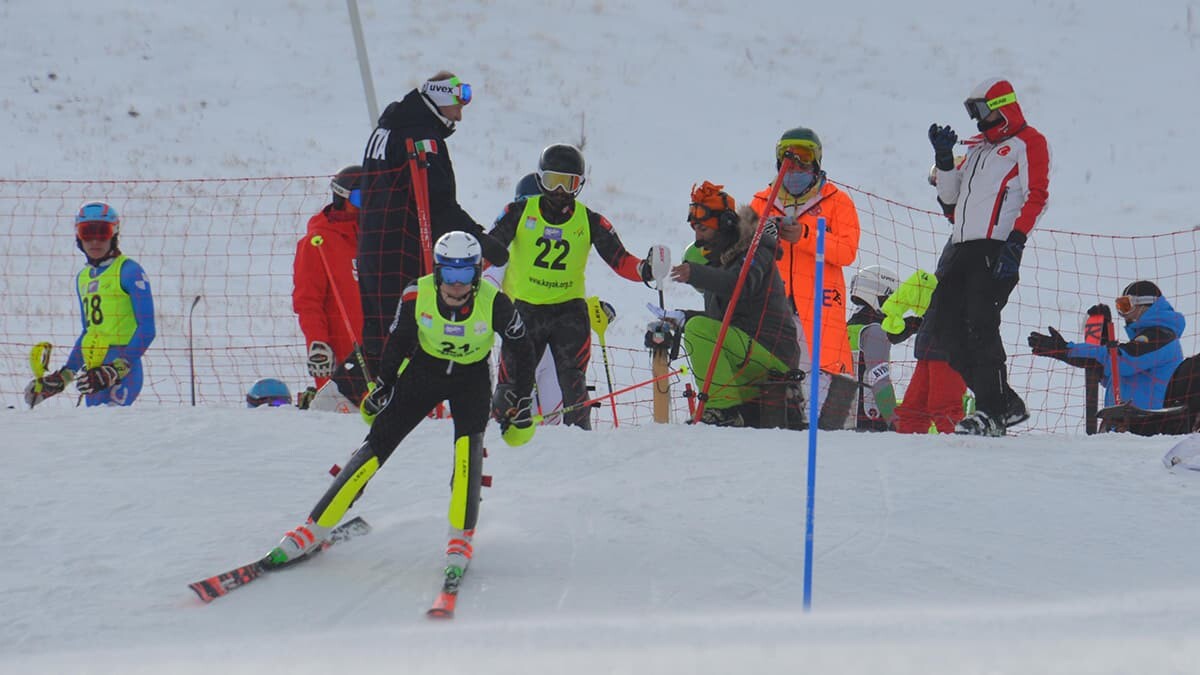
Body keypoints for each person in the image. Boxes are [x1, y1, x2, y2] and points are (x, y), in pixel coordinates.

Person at [267, 232, 535, 578]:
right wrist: (384, 383)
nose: (457, 285)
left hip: (471, 380)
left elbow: (522, 346)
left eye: (465, 275)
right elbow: (398, 342)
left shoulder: (494, 302)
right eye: (450, 275)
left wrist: (521, 395)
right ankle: (312, 528)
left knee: (469, 452)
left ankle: (460, 537)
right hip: (424, 373)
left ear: (476, 275)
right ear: (438, 272)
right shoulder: (416, 294)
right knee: (375, 446)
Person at [487, 143, 665, 430]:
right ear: (540, 179)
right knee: (511, 384)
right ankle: (502, 440)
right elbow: (490, 248)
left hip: (568, 313)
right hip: (525, 312)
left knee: (572, 383)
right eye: (552, 181)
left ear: (579, 185)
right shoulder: (519, 212)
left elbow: (620, 259)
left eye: (568, 183)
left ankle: (578, 445)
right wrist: (459, 270)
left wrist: (645, 270)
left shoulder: (589, 220)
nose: (559, 190)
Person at [356, 70, 508, 378]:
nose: (460, 118)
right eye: (458, 107)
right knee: (405, 334)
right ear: (440, 98)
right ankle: (392, 406)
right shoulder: (423, 136)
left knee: (378, 336)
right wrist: (479, 239)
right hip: (404, 250)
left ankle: (344, 400)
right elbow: (437, 203)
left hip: (371, 247)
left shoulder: (386, 128)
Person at [927, 77, 1050, 436]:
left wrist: (1015, 241)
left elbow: (1038, 195)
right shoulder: (979, 149)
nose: (977, 119)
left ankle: (991, 413)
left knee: (980, 325)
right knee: (944, 329)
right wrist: (945, 160)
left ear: (1001, 106)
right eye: (972, 111)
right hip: (961, 247)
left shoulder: (1027, 143)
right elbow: (951, 202)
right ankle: (1003, 401)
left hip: (995, 246)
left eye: (980, 110)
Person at [661, 181, 805, 428]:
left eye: (703, 229)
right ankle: (733, 408)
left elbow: (740, 284)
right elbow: (722, 324)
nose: (697, 239)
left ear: (726, 225)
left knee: (698, 329)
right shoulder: (723, 263)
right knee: (696, 326)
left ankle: (722, 410)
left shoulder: (755, 252)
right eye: (694, 229)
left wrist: (696, 273)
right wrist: (680, 318)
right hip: (749, 357)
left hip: (773, 354)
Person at [749, 127, 860, 377]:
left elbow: (846, 251)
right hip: (773, 308)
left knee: (825, 388)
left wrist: (806, 236)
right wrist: (767, 238)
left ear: (816, 164)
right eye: (789, 162)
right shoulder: (762, 201)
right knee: (774, 385)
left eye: (803, 162)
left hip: (821, 309)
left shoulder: (837, 201)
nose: (796, 169)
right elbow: (746, 252)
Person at [24, 202, 156, 408]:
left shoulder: (130, 271)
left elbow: (147, 329)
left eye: (102, 232)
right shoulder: (83, 277)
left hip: (122, 370)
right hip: (94, 372)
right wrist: (66, 375)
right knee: (95, 432)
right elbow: (88, 331)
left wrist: (118, 368)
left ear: (114, 234)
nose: (95, 241)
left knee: (115, 432)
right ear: (79, 237)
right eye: (87, 233)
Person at [1028, 281, 1195, 435]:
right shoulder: (1146, 341)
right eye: (1120, 306)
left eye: (1126, 305)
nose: (1122, 313)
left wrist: (1067, 350)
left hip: (1149, 425)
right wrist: (1104, 342)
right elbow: (1110, 374)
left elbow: (1122, 362)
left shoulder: (1161, 337)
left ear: (1146, 306)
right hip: (1127, 425)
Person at [481, 172, 564, 421]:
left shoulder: (556, 242)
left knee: (552, 408)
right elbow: (488, 283)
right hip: (517, 335)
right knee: (514, 404)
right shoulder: (509, 244)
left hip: (550, 337)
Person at [293, 165, 366, 411]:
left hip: (379, 356)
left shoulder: (376, 239)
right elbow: (308, 302)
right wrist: (318, 344)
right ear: (341, 197)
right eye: (360, 198)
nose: (367, 205)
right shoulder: (318, 242)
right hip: (342, 362)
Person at [888, 263, 969, 434]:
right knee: (914, 409)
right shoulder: (957, 250)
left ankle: (956, 453)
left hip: (951, 343)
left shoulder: (976, 254)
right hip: (930, 343)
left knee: (944, 409)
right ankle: (911, 454)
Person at [845, 266, 924, 431]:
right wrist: (894, 421)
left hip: (845, 419)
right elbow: (880, 381)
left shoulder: (848, 328)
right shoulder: (874, 331)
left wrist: (914, 324)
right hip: (870, 421)